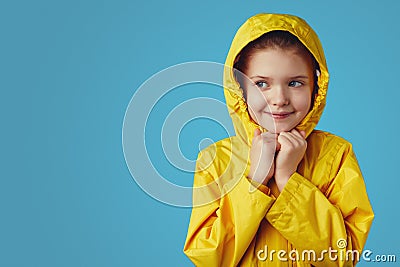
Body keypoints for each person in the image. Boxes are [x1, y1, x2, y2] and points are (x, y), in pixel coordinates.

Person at [183, 13, 374, 267]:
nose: (279, 98)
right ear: (240, 88)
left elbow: (343, 256)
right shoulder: (215, 161)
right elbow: (209, 259)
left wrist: (287, 180)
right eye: (262, 84)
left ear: (316, 87)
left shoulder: (336, 155)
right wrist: (256, 179)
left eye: (295, 83)